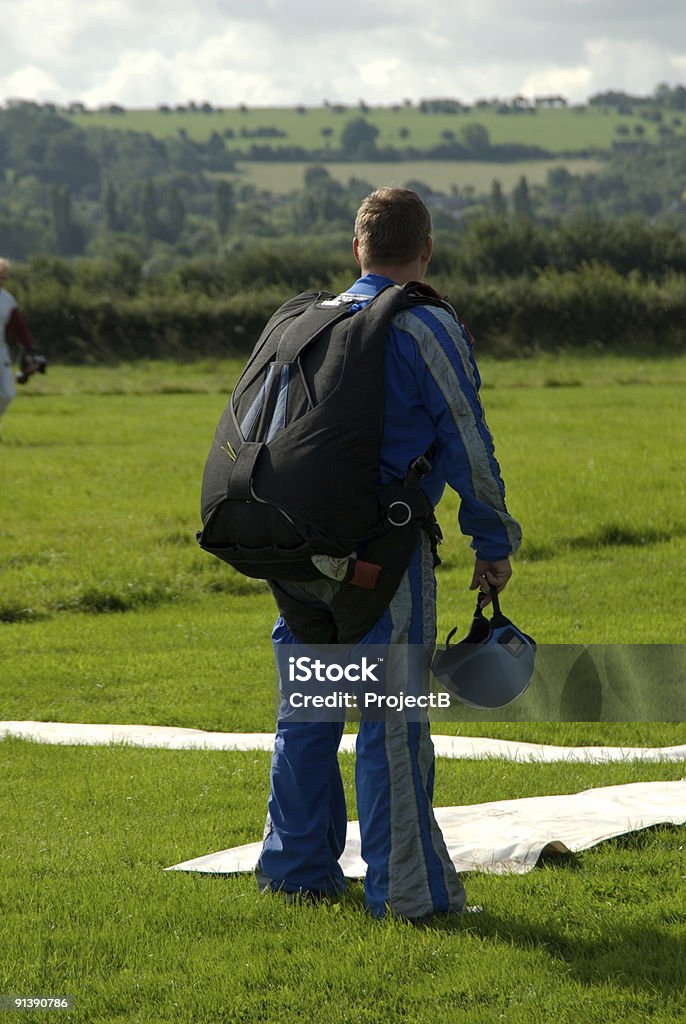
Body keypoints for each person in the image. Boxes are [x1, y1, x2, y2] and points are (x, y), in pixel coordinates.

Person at [256, 187, 522, 919]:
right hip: (384, 559)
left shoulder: (308, 322)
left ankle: (294, 872)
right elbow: (470, 442)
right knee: (391, 720)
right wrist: (493, 542)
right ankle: (408, 892)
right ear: (426, 249)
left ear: (357, 251)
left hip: (296, 556)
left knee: (308, 711)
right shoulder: (424, 324)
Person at [0, 258, 37, 425]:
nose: (3, 280)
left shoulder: (8, 300)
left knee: (7, 394)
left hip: (1, 352)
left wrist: (29, 347)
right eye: (1, 276)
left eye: (4, 276)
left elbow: (19, 327)